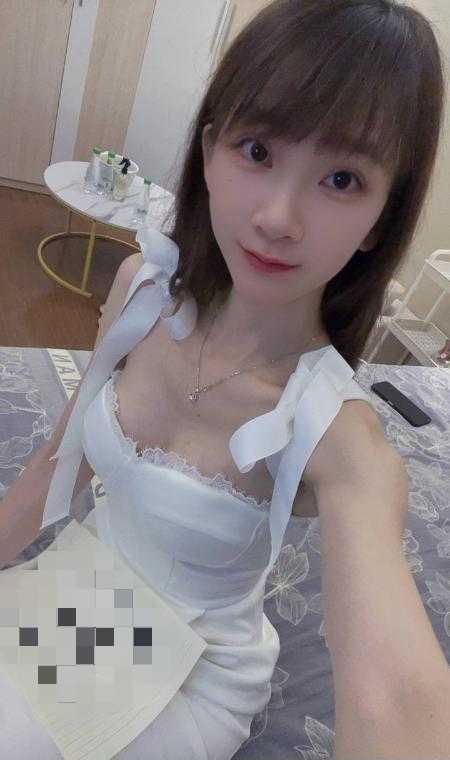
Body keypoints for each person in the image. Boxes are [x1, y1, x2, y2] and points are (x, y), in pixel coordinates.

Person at [0, 1, 448, 758]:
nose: (278, 216)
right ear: (209, 153)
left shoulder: (339, 434)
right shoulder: (142, 291)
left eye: (342, 178)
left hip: (194, 671)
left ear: (381, 217)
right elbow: (57, 461)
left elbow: (399, 697)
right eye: (257, 150)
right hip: (87, 593)